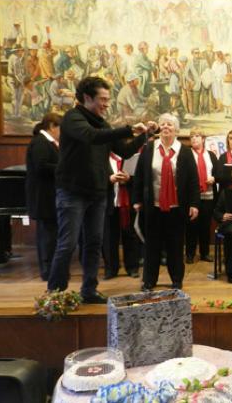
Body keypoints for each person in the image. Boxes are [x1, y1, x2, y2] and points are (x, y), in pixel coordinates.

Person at [47, 76, 150, 304]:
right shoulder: (73, 119)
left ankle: (89, 290)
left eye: (107, 99)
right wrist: (128, 129)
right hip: (72, 192)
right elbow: (90, 137)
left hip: (98, 193)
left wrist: (144, 136)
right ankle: (54, 294)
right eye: (102, 99)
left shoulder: (103, 124)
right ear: (86, 98)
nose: (106, 104)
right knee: (68, 243)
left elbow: (123, 152)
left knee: (94, 243)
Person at [132, 113, 200, 291]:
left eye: (169, 124)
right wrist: (137, 199)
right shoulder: (149, 149)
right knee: (151, 246)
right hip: (152, 206)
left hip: (177, 207)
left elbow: (193, 179)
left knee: (175, 246)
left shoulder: (184, 152)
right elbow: (139, 175)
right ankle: (149, 281)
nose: (165, 127)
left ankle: (176, 279)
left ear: (176, 130)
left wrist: (194, 204)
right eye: (162, 124)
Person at [25, 113, 62, 281]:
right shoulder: (40, 142)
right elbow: (41, 166)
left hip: (50, 196)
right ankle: (47, 271)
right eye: (61, 129)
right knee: (47, 236)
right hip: (44, 197)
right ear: (53, 126)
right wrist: (64, 168)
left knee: (52, 235)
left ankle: (52, 268)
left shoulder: (50, 143)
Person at [102, 150, 141, 280]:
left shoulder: (130, 158)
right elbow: (94, 178)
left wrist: (129, 179)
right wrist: (110, 179)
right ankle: (111, 269)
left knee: (130, 235)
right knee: (109, 238)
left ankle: (132, 268)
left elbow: (140, 179)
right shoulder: (102, 157)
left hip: (128, 203)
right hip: (109, 203)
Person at [185, 128, 219, 264]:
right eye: (192, 136)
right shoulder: (186, 154)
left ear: (203, 139)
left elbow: (218, 173)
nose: (194, 139)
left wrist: (214, 178)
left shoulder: (211, 155)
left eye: (197, 136)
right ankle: (190, 254)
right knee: (191, 226)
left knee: (205, 225)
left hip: (208, 194)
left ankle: (204, 253)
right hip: (192, 196)